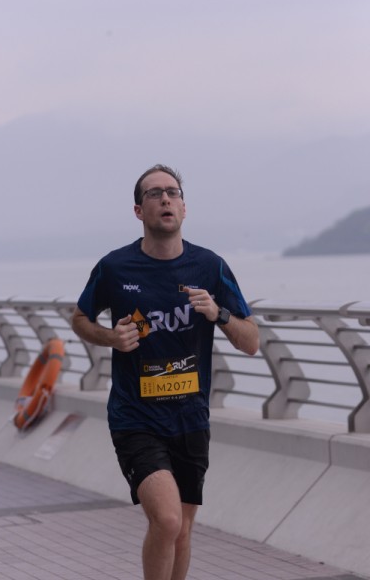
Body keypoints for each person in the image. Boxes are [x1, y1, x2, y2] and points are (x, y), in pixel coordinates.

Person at [71, 164, 259, 580]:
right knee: (168, 520)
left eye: (172, 192)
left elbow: (251, 341)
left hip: (191, 417)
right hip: (135, 417)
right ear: (139, 211)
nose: (165, 199)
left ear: (184, 208)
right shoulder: (116, 267)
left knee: (183, 530)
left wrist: (218, 313)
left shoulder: (209, 266)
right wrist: (111, 338)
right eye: (154, 194)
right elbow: (80, 319)